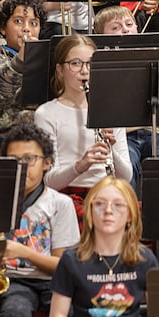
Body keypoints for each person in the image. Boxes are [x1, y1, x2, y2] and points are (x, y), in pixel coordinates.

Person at [0, 122, 80, 317]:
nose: (22, 167)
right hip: (13, 281)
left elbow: (65, 266)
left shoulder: (61, 204)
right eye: (14, 160)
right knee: (13, 315)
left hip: (53, 281)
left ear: (47, 163)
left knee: (72, 315)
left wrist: (23, 252)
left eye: (29, 159)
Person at [48, 177, 156, 317]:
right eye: (100, 204)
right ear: (90, 212)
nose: (108, 211)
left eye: (118, 205)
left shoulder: (145, 259)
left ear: (130, 216)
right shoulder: (71, 259)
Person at [34, 35, 131, 213]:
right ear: (60, 69)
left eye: (90, 63)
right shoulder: (46, 114)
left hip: (107, 194)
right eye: (76, 63)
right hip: (67, 199)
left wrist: (111, 150)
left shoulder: (111, 110)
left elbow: (127, 177)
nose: (85, 71)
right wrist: (81, 165)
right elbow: (49, 180)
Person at [93, 5, 159, 191]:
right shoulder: (98, 65)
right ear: (100, 36)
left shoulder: (155, 58)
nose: (125, 29)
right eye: (116, 27)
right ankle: (130, 215)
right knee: (126, 172)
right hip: (124, 138)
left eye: (129, 24)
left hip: (156, 132)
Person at [0, 0, 46, 156]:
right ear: (3, 28)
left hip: (43, 137)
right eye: (18, 21)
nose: (26, 28)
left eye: (34, 23)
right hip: (0, 137)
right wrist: (20, 61)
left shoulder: (48, 61)